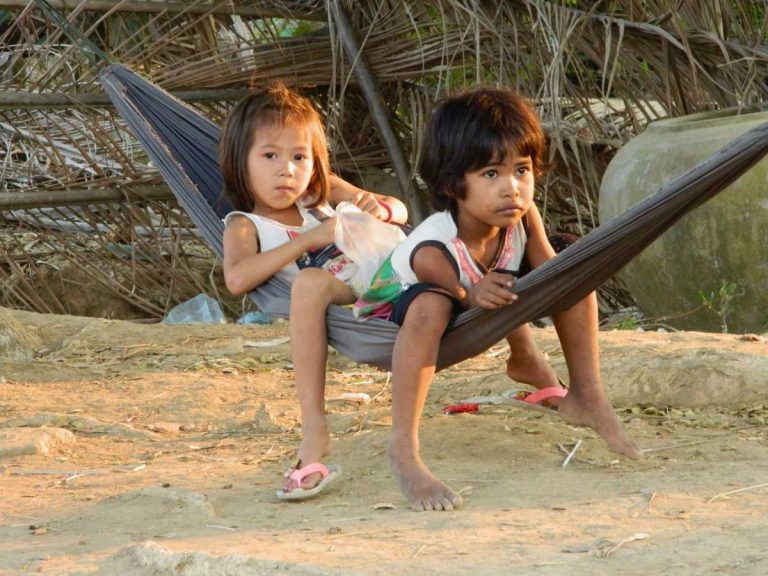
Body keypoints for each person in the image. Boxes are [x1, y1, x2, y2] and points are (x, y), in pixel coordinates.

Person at [359, 87, 641, 511]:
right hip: (401, 304)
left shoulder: (522, 215)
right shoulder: (438, 239)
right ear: (454, 184)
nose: (512, 188)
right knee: (431, 305)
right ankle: (403, 450)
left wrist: (573, 278)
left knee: (576, 274)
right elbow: (426, 269)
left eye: (522, 170)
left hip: (480, 289)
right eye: (491, 174)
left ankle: (587, 393)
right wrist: (468, 293)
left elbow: (551, 268)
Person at [219, 83, 407, 500]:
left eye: (299, 157)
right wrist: (310, 239)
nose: (286, 169)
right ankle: (314, 432)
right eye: (270, 156)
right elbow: (237, 279)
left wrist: (379, 207)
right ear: (240, 161)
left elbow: (397, 208)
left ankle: (531, 365)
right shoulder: (246, 225)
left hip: (403, 276)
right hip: (353, 298)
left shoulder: (316, 193)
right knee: (307, 282)